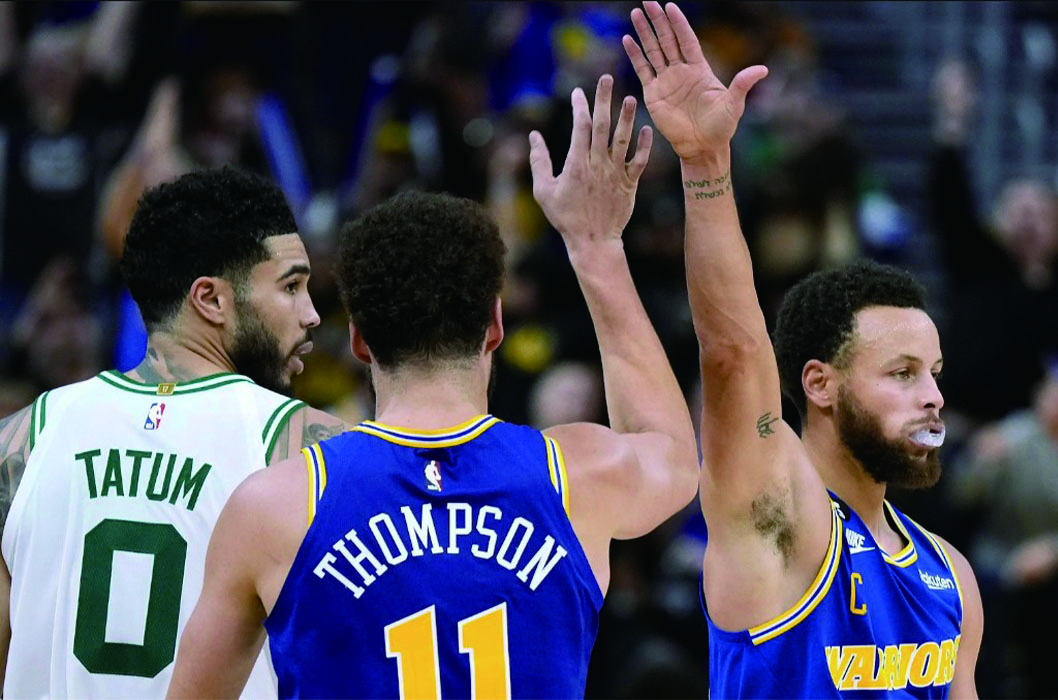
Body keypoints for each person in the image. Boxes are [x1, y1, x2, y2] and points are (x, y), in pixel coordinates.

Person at [167, 74, 699, 698]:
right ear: (494, 326)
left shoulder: (275, 506)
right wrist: (596, 247)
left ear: (359, 339)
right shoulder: (578, 477)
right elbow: (671, 452)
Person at [623, 2, 982, 697]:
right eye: (902, 374)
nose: (933, 397)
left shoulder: (952, 575)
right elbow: (732, 353)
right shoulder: (777, 516)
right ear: (820, 384)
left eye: (933, 374)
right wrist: (704, 164)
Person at [0, 166, 348, 698]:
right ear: (211, 300)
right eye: (291, 286)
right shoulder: (312, 448)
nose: (312, 314)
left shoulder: (23, 439)